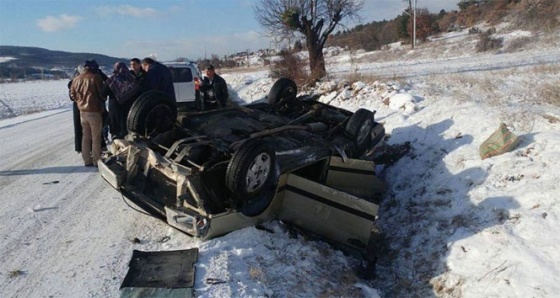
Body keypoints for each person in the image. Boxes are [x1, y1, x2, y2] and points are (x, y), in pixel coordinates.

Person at [70, 60, 106, 167]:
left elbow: (72, 95)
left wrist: (80, 101)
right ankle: (96, 160)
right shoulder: (95, 78)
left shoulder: (76, 79)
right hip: (94, 111)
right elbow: (102, 94)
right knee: (96, 138)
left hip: (82, 112)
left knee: (85, 137)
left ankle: (87, 160)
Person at [102, 62, 142, 139]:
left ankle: (117, 147)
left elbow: (103, 93)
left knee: (116, 133)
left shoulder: (111, 80)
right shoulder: (132, 79)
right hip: (130, 110)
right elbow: (138, 92)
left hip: (115, 109)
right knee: (128, 132)